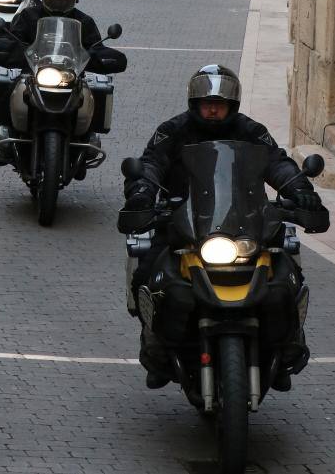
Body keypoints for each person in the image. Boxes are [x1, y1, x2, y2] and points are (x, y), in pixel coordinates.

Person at [123, 65, 321, 387]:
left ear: (233, 106)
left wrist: (300, 190)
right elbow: (151, 164)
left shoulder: (250, 132)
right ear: (194, 103)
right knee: (149, 270)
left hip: (245, 223)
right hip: (184, 222)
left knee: (286, 268)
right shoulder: (172, 131)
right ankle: (157, 345)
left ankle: (286, 347)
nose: (213, 109)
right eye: (207, 103)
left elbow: (277, 162)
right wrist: (143, 190)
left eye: (220, 104)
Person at [0, 0, 127, 76]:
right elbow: (14, 40)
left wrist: (99, 57)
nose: (59, 3)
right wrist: (15, 50)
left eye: (64, 0)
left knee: (98, 91)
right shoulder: (28, 15)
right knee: (7, 87)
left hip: (72, 76)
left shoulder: (84, 21)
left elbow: (96, 48)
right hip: (32, 73)